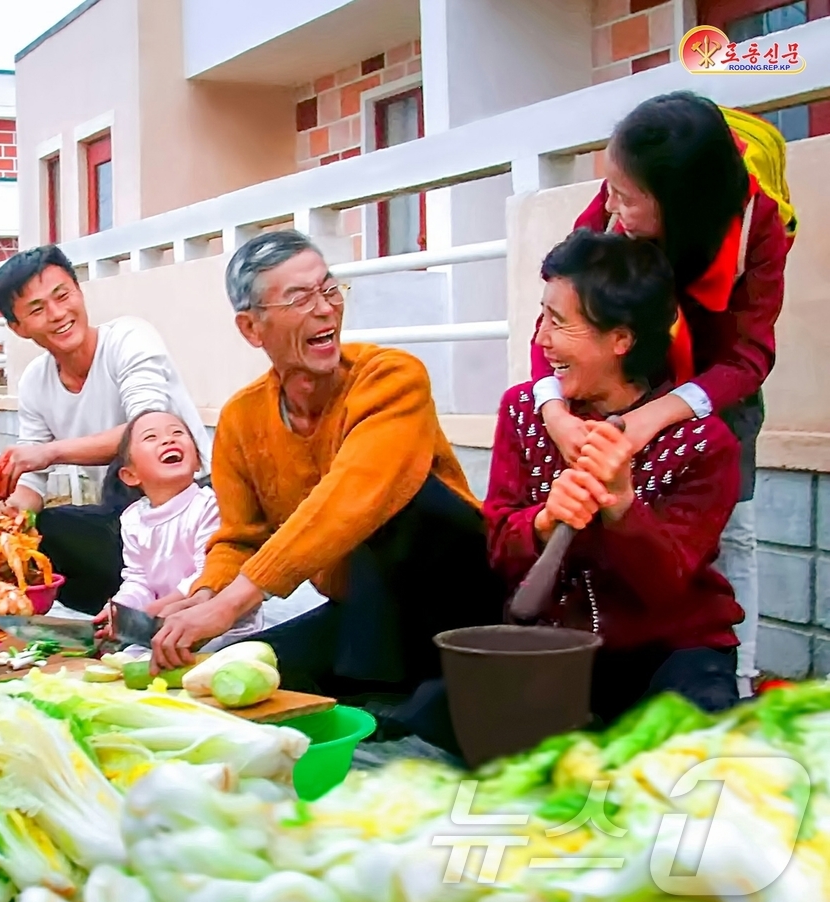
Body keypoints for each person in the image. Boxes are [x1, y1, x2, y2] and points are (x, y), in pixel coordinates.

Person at [149, 230, 503, 699]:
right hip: (364, 615)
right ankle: (379, 689)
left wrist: (237, 601)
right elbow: (240, 537)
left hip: (454, 608)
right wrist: (205, 596)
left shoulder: (394, 377)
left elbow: (354, 496)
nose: (324, 309)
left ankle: (409, 694)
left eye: (329, 289)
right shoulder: (241, 419)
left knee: (398, 508)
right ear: (252, 328)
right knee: (237, 675)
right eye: (299, 298)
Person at [530, 92, 791, 697]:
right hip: (630, 372)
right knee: (622, 514)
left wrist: (654, 418)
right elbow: (557, 312)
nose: (611, 211)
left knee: (732, 527)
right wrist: (555, 409)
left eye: (628, 198)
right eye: (610, 190)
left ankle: (735, 679)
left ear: (680, 202)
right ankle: (612, 654)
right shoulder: (610, 210)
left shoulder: (758, 227)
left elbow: (749, 356)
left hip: (714, 388)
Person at [492, 229, 742, 722]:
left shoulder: (705, 444)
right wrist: (541, 522)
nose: (541, 338)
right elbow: (499, 547)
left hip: (669, 653)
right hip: (556, 652)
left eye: (559, 322)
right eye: (543, 316)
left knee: (692, 736)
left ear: (621, 339)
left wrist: (623, 507)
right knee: (443, 715)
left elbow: (668, 586)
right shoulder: (525, 410)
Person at [0, 245, 211, 611]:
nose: (58, 314)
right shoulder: (34, 382)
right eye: (37, 309)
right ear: (18, 327)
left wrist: (50, 452)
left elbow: (147, 429)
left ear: (79, 291)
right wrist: (13, 516)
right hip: (128, 518)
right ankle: (123, 612)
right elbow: (32, 481)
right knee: (44, 532)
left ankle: (172, 602)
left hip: (191, 502)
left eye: (63, 296)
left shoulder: (128, 339)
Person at [100, 409, 261, 648]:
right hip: (163, 624)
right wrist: (121, 608)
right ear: (130, 474)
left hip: (223, 628)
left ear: (197, 462)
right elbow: (138, 579)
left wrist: (154, 610)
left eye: (177, 433)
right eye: (151, 437)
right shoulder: (133, 519)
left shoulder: (210, 506)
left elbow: (207, 573)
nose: (168, 439)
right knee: (126, 661)